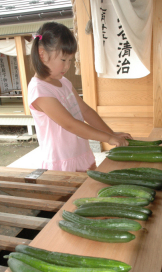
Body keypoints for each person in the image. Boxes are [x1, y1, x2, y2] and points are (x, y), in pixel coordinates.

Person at [28, 21, 132, 172]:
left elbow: (86, 112)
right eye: (63, 60)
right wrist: (108, 138)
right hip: (61, 163)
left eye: (70, 60)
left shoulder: (64, 83)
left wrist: (111, 133)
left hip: (81, 155)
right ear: (42, 54)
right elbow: (70, 124)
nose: (67, 66)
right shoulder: (39, 90)